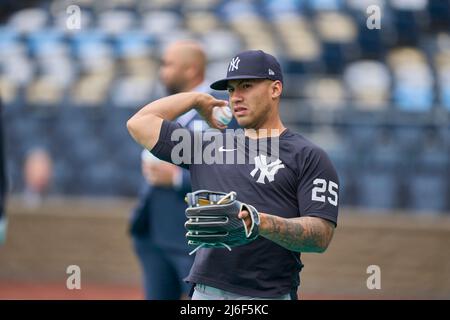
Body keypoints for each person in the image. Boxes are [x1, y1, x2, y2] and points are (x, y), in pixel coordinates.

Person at [127, 50, 339, 300]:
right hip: (206, 291)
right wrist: (197, 99)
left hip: (268, 294)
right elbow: (139, 123)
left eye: (246, 86)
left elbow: (320, 236)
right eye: (231, 90)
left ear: (275, 89)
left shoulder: (308, 155)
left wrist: (258, 222)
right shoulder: (208, 147)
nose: (236, 97)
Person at [128, 40, 238, 300]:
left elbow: (231, 174)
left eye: (168, 64)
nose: (162, 71)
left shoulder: (219, 111)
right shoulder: (164, 108)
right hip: (153, 232)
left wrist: (178, 179)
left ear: (190, 70)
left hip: (192, 237)